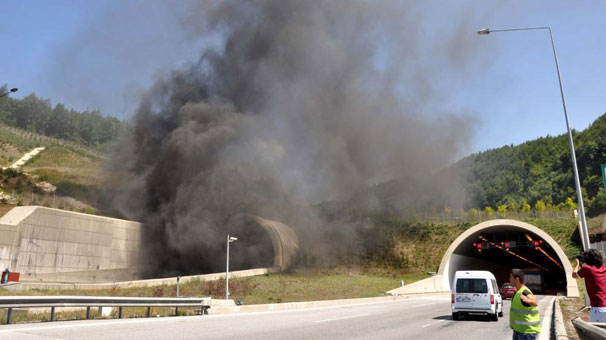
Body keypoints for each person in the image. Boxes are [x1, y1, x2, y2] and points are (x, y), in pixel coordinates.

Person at [573, 249, 606, 322]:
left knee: (596, 331)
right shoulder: (604, 268)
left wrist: (578, 264)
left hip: (598, 307)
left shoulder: (587, 269)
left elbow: (574, 275)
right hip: (603, 304)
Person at [509, 268, 540, 340]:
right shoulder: (518, 292)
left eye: (511, 277)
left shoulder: (524, 292)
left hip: (527, 333)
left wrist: (529, 301)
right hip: (518, 331)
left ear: (517, 279)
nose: (509, 279)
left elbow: (535, 302)